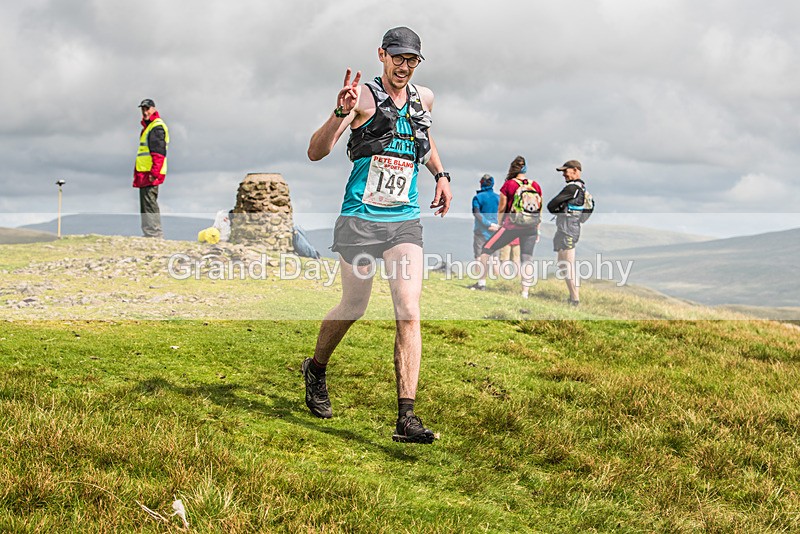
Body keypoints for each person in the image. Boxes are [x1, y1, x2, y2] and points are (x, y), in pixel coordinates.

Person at [303, 26, 452, 444]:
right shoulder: (364, 98)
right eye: (398, 58)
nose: (404, 67)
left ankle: (406, 417)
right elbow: (315, 152)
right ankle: (316, 368)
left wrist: (440, 174)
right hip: (361, 219)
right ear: (382, 55)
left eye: (412, 60)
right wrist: (339, 112)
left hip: (404, 219)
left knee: (408, 309)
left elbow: (424, 138)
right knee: (354, 305)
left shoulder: (425, 98)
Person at [470, 156, 542, 298]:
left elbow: (502, 208)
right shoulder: (536, 185)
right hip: (531, 227)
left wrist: (500, 224)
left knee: (486, 250)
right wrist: (537, 229)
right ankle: (525, 293)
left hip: (511, 226)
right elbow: (539, 209)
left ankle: (481, 283)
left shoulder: (509, 185)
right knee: (526, 258)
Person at [547, 159, 587, 306]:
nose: (563, 174)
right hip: (570, 227)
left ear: (575, 170)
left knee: (567, 264)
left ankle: (574, 300)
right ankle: (573, 297)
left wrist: (559, 210)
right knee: (563, 264)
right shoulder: (581, 188)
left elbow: (551, 205)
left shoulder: (572, 188)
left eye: (566, 171)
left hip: (567, 228)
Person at [133, 99, 168, 238]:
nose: (145, 112)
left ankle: (154, 233)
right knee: (146, 203)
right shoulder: (149, 127)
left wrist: (154, 172)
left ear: (153, 109)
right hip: (145, 173)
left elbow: (159, 153)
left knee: (149, 203)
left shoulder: (156, 127)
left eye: (147, 109)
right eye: (143, 109)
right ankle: (150, 232)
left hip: (150, 173)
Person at [471, 174, 500, 271]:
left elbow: (476, 213)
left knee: (479, 256)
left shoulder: (478, 197)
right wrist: (496, 225)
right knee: (495, 257)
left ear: (482, 183)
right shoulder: (498, 198)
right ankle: (497, 280)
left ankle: (479, 278)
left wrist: (488, 224)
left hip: (481, 230)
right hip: (496, 230)